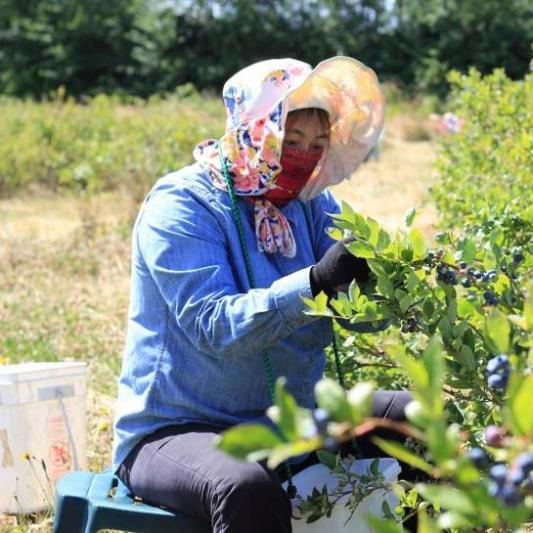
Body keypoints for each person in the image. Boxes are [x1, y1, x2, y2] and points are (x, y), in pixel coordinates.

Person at [112, 57, 411, 532]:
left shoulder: (310, 204)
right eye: (291, 141)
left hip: (295, 419)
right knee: (245, 487)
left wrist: (387, 287)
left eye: (317, 144)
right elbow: (214, 326)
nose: (305, 157)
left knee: (417, 418)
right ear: (255, 131)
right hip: (181, 428)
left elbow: (360, 315)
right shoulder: (183, 204)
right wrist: (316, 281)